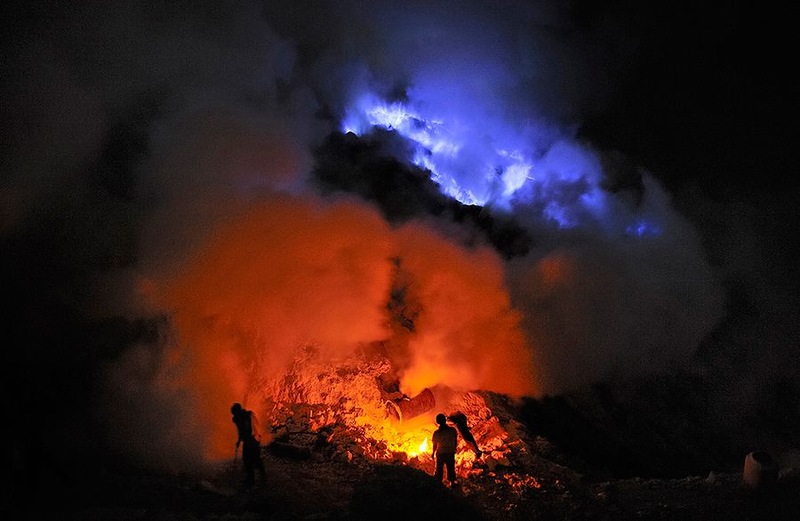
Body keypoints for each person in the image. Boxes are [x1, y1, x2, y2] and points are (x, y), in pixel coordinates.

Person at [231, 402, 266, 488]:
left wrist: (242, 439)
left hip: (251, 440)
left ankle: (255, 479)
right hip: (253, 440)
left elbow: (247, 429)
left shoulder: (243, 417)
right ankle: (257, 477)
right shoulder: (246, 415)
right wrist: (239, 440)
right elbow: (242, 430)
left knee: (250, 459)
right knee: (251, 459)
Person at [431, 412, 458, 486]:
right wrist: (454, 448)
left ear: (437, 422)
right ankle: (452, 483)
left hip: (441, 453)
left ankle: (438, 483)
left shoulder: (437, 433)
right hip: (450, 452)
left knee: (439, 469)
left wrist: (433, 453)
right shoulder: (452, 430)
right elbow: (455, 440)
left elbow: (435, 444)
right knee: (451, 468)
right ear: (445, 420)